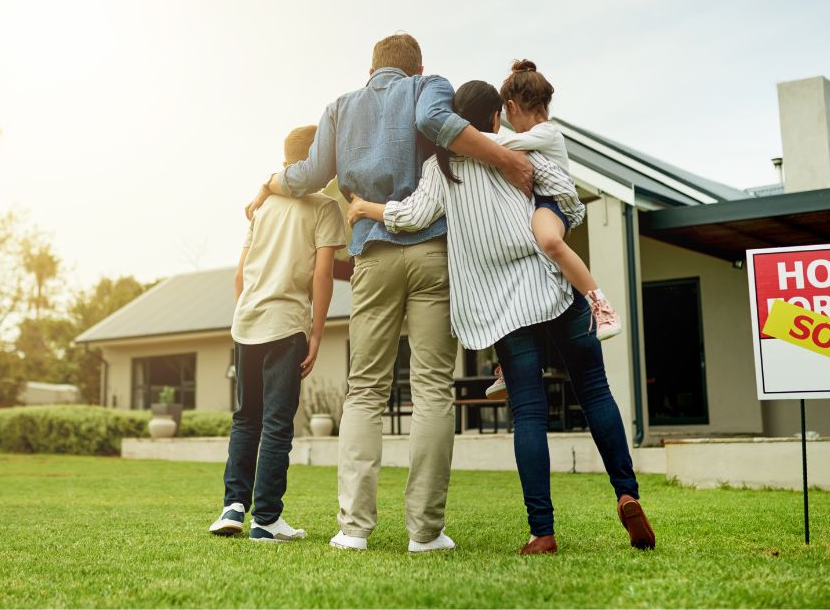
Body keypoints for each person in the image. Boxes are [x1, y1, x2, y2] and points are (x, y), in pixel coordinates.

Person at [246, 33, 533, 553]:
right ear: (417, 66)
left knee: (365, 391)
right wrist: (505, 159)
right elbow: (434, 124)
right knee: (431, 390)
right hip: (430, 255)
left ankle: (353, 529)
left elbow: (311, 174)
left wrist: (271, 180)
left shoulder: (340, 107)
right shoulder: (429, 85)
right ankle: (425, 533)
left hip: (372, 257)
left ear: (371, 69)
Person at [348, 76, 655, 556]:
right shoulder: (515, 150)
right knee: (595, 391)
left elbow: (411, 216)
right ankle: (626, 492)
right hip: (551, 287)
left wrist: (365, 207)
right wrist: (552, 218)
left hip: (504, 311)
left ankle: (543, 532)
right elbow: (565, 195)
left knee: (529, 413)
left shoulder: (440, 166)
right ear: (496, 117)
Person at [210, 125, 347, 542]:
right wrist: (317, 333)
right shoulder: (324, 208)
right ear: (315, 161)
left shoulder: (262, 207)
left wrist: (246, 312)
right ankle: (266, 519)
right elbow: (323, 274)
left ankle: (233, 507)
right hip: (286, 325)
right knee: (276, 423)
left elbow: (239, 274)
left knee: (245, 418)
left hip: (247, 323)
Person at [483, 60, 622, 400]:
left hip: (552, 206)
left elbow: (501, 147)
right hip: (536, 209)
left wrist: (461, 136)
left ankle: (600, 304)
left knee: (547, 241)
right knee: (519, 285)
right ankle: (506, 362)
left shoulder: (546, 133)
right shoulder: (535, 134)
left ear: (512, 107)